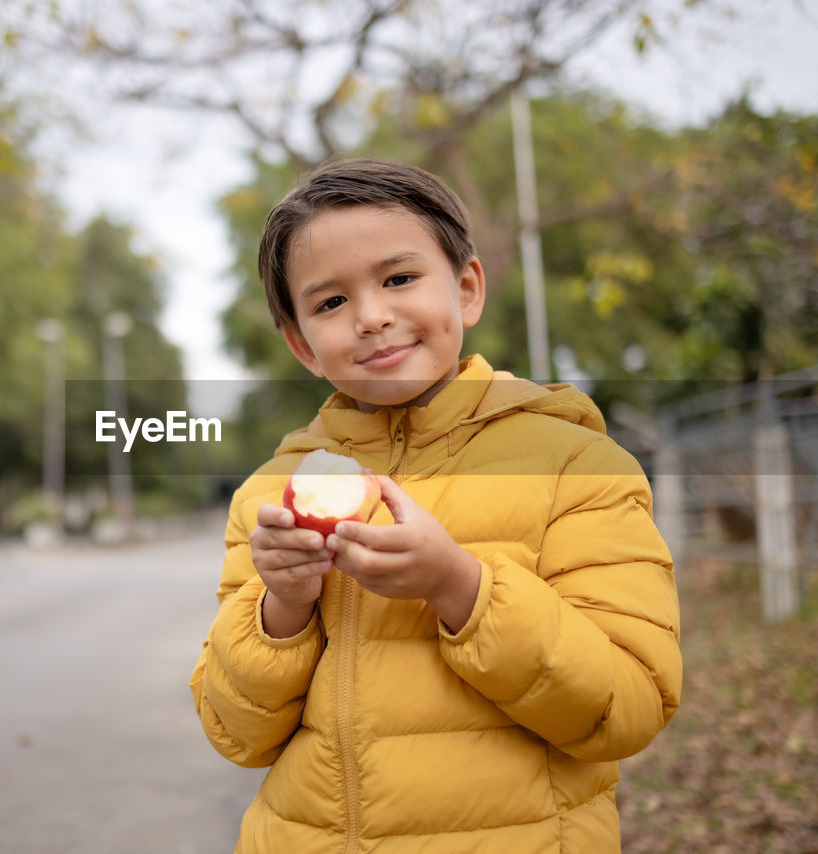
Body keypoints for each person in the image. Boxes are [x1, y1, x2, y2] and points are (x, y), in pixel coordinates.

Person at [189, 158, 682, 853]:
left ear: (467, 289)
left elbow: (628, 706)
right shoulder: (272, 495)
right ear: (302, 344)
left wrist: (460, 586)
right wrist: (283, 609)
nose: (372, 317)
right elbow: (236, 734)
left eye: (398, 279)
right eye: (330, 303)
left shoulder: (575, 466)